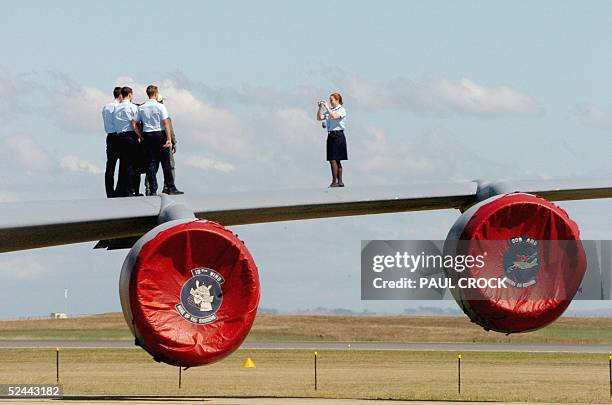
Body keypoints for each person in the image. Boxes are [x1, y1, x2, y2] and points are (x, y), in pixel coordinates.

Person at [138, 85, 183, 195]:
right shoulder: (160, 107)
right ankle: (170, 187)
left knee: (151, 164)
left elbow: (135, 123)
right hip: (160, 135)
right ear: (156, 93)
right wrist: (169, 140)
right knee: (166, 163)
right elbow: (166, 123)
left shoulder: (142, 108)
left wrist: (140, 135)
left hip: (147, 136)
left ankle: (152, 189)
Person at [112, 86, 143, 197]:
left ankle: (123, 189)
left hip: (119, 137)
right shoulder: (132, 107)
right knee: (132, 164)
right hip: (130, 137)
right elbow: (134, 123)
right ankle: (131, 190)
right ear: (129, 94)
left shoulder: (117, 108)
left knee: (124, 164)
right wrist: (140, 136)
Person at [317, 92, 347, 187]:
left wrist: (327, 108)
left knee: (336, 159)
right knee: (332, 159)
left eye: (332, 100)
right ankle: (337, 181)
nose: (330, 102)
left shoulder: (341, 110)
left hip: (338, 135)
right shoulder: (331, 110)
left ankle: (337, 181)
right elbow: (319, 118)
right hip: (331, 135)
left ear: (337, 100)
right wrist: (320, 108)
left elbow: (334, 116)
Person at [101, 87, 122, 197]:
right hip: (118, 136)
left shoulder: (105, 107)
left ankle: (109, 191)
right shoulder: (118, 107)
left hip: (109, 136)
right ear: (120, 96)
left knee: (110, 165)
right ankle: (120, 189)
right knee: (123, 164)